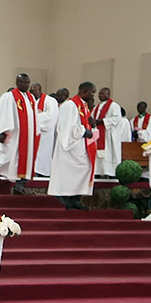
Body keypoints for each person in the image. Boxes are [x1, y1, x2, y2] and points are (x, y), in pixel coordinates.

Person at [47, 81, 98, 210]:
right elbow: (68, 127)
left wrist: (90, 126)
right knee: (67, 172)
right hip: (69, 146)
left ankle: (75, 199)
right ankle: (63, 198)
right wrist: (84, 131)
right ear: (84, 91)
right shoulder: (70, 105)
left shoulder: (83, 105)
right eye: (92, 93)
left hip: (79, 145)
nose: (93, 96)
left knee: (84, 168)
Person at [0, 73, 40, 193]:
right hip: (14, 135)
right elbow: (1, 114)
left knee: (25, 161)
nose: (25, 85)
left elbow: (34, 116)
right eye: (22, 82)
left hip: (28, 137)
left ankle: (20, 185)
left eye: (27, 82)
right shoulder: (9, 96)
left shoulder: (31, 98)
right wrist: (0, 132)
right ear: (16, 83)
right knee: (9, 156)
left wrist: (36, 132)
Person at [90, 87, 132, 178]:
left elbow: (117, 119)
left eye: (103, 93)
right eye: (99, 94)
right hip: (99, 134)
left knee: (109, 154)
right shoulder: (97, 107)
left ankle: (110, 173)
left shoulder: (114, 106)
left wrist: (103, 121)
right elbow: (92, 117)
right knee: (98, 155)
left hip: (109, 134)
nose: (100, 95)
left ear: (108, 94)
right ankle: (98, 172)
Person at [32, 83, 60, 178]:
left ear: (40, 90)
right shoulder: (30, 100)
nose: (32, 93)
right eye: (31, 91)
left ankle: (42, 173)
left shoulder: (50, 101)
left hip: (45, 135)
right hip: (33, 134)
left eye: (34, 90)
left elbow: (50, 118)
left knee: (42, 155)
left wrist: (33, 117)